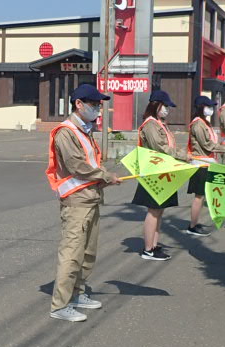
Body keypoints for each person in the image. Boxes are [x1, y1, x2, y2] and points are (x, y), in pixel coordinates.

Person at [47, 83, 120, 322]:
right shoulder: (65, 131)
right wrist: (105, 176)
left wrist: (102, 179)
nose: (98, 108)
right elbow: (77, 166)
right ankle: (60, 305)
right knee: (72, 253)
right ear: (78, 104)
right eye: (94, 104)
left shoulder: (84, 130)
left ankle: (78, 293)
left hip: (91, 198)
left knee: (88, 252)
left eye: (99, 104)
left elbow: (91, 163)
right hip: (76, 201)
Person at [133, 89, 186, 261]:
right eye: (165, 106)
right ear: (155, 105)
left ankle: (154, 245)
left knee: (159, 211)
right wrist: (184, 156)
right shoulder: (150, 125)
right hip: (153, 173)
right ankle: (148, 249)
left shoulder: (159, 124)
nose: (167, 110)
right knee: (153, 211)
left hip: (163, 172)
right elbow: (160, 148)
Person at [185, 94, 225, 237]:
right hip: (200, 163)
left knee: (202, 196)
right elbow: (207, 144)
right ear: (201, 108)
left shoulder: (205, 123)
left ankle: (195, 223)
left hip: (207, 162)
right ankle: (192, 226)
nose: (211, 109)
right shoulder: (198, 124)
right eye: (208, 106)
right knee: (198, 197)